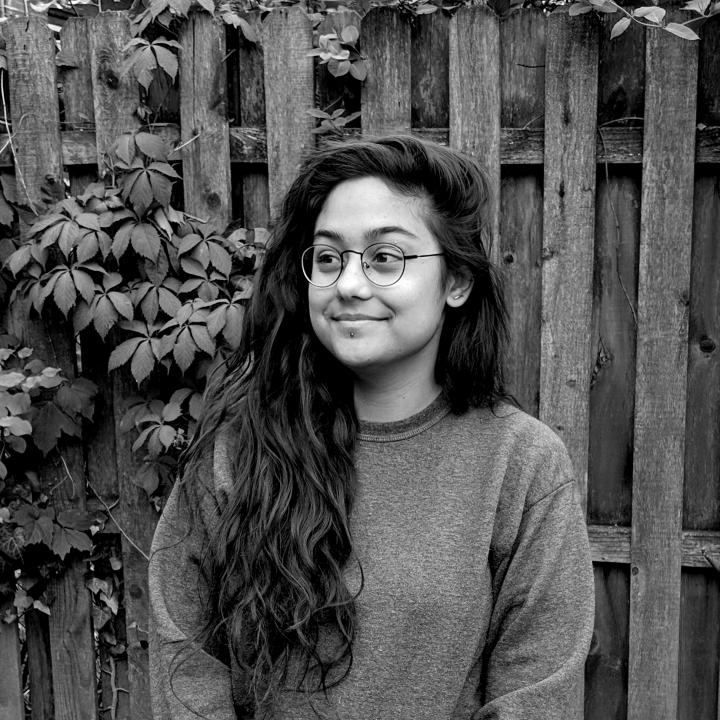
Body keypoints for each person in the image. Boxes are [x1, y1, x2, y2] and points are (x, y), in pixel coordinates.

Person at [148, 135, 595, 720]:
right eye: (329, 258)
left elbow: (538, 692)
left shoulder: (522, 463)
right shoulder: (237, 451)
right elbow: (187, 665)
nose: (349, 285)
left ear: (456, 282)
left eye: (386, 258)